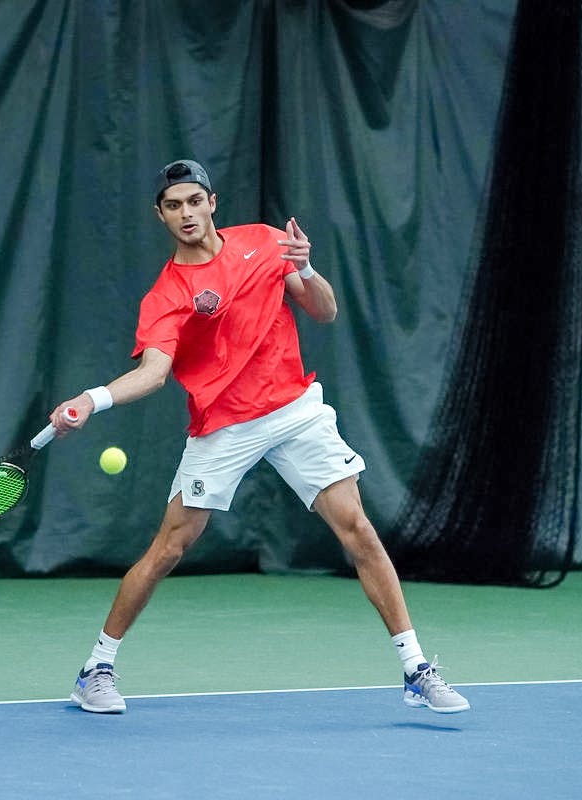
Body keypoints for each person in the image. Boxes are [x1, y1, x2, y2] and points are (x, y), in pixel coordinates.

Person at [47, 159, 469, 715]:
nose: (185, 213)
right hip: (224, 425)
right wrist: (91, 399)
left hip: (295, 409)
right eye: (173, 206)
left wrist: (307, 268)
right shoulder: (166, 295)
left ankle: (416, 669)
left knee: (358, 530)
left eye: (193, 201)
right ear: (160, 215)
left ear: (212, 203)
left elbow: (324, 311)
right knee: (169, 548)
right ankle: (95, 668)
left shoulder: (267, 243)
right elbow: (152, 373)